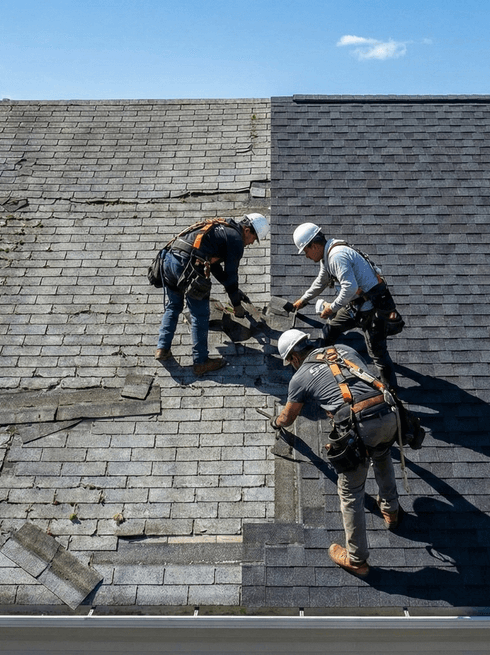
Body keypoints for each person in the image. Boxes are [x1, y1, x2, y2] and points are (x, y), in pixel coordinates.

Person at [271, 328, 401, 577]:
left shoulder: (299, 377)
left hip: (361, 426)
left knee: (351, 491)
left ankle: (357, 559)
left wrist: (276, 423)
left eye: (289, 362)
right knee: (382, 454)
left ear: (294, 358)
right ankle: (390, 510)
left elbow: (288, 417)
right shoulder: (343, 349)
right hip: (388, 414)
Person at [286, 222, 402, 389]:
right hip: (355, 306)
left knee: (378, 354)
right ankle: (325, 368)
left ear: (315, 246)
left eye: (306, 251)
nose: (306, 256)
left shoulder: (336, 256)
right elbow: (322, 280)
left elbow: (350, 288)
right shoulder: (328, 254)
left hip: (372, 310)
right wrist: (303, 299)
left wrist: (331, 308)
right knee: (330, 330)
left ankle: (391, 390)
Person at [156, 213, 269, 375]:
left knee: (174, 306)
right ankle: (201, 362)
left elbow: (215, 267)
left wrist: (235, 292)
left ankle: (162, 348)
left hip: (169, 260)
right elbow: (231, 275)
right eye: (254, 238)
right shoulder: (236, 240)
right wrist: (236, 305)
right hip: (189, 266)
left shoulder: (221, 228)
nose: (251, 243)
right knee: (200, 315)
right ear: (246, 230)